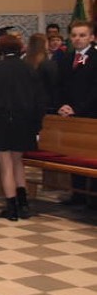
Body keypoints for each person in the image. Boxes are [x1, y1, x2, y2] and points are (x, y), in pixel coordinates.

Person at [0, 34, 44, 221]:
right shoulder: (29, 69)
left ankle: (12, 207)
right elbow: (39, 101)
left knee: (5, 165)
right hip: (24, 122)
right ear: (20, 48)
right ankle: (24, 205)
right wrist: (36, 126)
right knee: (18, 163)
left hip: (0, 122)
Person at [56, 20, 97, 205]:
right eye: (74, 35)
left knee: (92, 154)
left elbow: (94, 90)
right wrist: (62, 105)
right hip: (70, 115)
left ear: (92, 37)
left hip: (91, 115)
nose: (78, 39)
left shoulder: (95, 58)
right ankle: (78, 194)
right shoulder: (66, 57)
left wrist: (78, 108)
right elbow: (60, 85)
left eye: (82, 35)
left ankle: (93, 197)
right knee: (75, 154)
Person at [24, 33, 59, 114]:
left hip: (27, 104)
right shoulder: (48, 64)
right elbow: (55, 85)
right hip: (46, 105)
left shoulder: (24, 62)